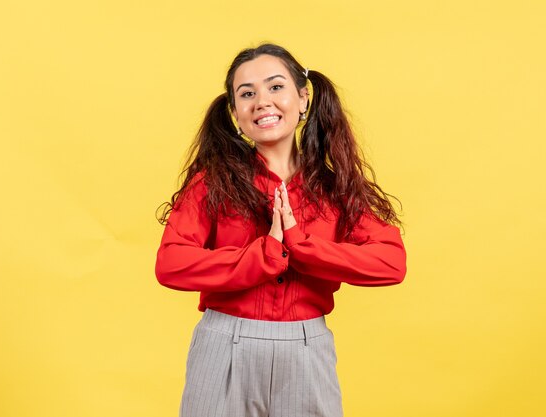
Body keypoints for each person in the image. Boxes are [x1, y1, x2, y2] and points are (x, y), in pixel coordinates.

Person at [155, 43, 406, 417]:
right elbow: (171, 263)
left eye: (275, 87)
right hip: (225, 344)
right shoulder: (212, 183)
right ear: (236, 115)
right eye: (247, 93)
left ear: (303, 99)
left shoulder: (332, 187)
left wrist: (302, 247)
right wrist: (264, 253)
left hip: (306, 349)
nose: (262, 101)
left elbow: (390, 263)